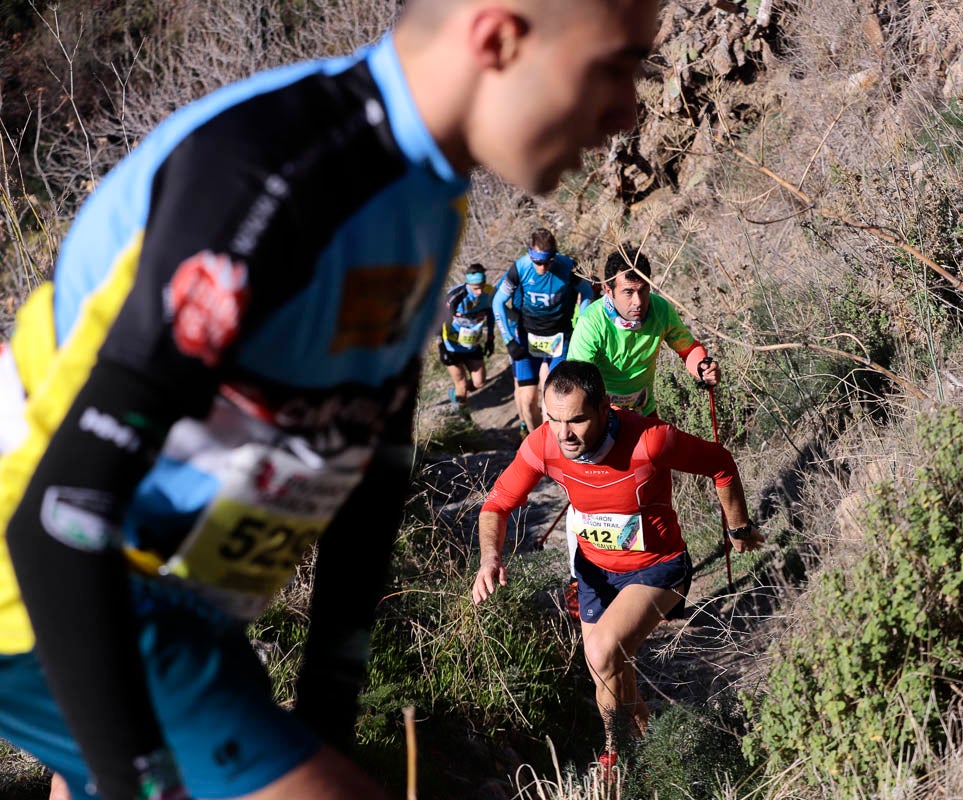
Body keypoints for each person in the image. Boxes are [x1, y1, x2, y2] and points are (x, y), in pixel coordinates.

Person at [0, 1, 658, 798]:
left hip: (163, 599)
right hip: (58, 585)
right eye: (614, 65)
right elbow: (57, 518)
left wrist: (328, 707)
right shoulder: (276, 175)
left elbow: (372, 467)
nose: (628, 110)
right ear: (498, 37)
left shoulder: (423, 193)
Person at [471, 361, 764, 769]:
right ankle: (652, 746)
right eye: (553, 419)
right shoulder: (544, 444)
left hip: (658, 566)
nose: (563, 434)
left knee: (602, 651)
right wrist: (490, 558)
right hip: (594, 571)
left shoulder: (650, 440)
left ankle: (615, 754)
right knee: (610, 670)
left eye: (575, 420)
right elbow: (497, 505)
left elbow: (720, 463)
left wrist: (738, 528)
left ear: (604, 407)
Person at [568, 245, 719, 417]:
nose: (638, 302)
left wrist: (702, 368)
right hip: (602, 417)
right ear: (609, 291)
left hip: (644, 413)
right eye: (628, 292)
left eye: (643, 290)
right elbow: (576, 381)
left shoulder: (660, 310)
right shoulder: (591, 323)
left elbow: (689, 349)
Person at [493, 227, 594, 436]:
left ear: (554, 256)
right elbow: (497, 303)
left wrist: (582, 324)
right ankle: (534, 441)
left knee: (556, 399)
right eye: (537, 262)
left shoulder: (568, 266)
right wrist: (508, 340)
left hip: (560, 338)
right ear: (530, 253)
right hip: (526, 337)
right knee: (528, 400)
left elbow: (586, 293)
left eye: (547, 261)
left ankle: (554, 447)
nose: (542, 267)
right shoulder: (520, 268)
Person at [440, 264, 495, 416]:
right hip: (452, 346)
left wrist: (490, 337)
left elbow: (491, 316)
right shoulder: (455, 296)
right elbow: (439, 320)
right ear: (467, 284)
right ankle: (465, 416)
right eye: (475, 288)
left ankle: (455, 394)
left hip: (472, 344)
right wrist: (441, 342)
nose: (479, 292)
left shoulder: (489, 293)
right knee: (461, 384)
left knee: (480, 382)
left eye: (482, 286)